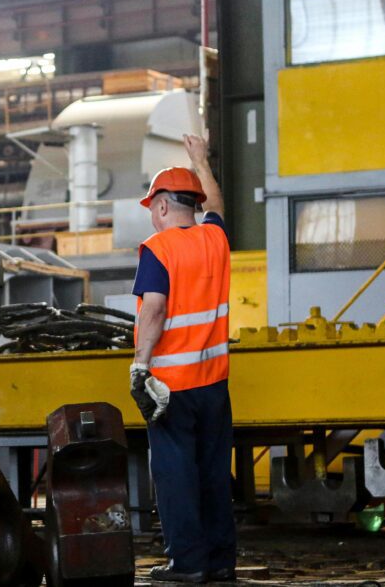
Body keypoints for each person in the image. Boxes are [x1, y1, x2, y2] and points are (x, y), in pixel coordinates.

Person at [129, 133, 236, 583]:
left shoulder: (159, 250)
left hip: (171, 388)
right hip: (214, 384)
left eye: (152, 209)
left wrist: (140, 366)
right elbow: (218, 206)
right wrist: (201, 160)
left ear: (161, 206)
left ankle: (188, 564)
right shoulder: (216, 240)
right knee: (214, 474)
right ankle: (220, 562)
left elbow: (153, 310)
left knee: (175, 476)